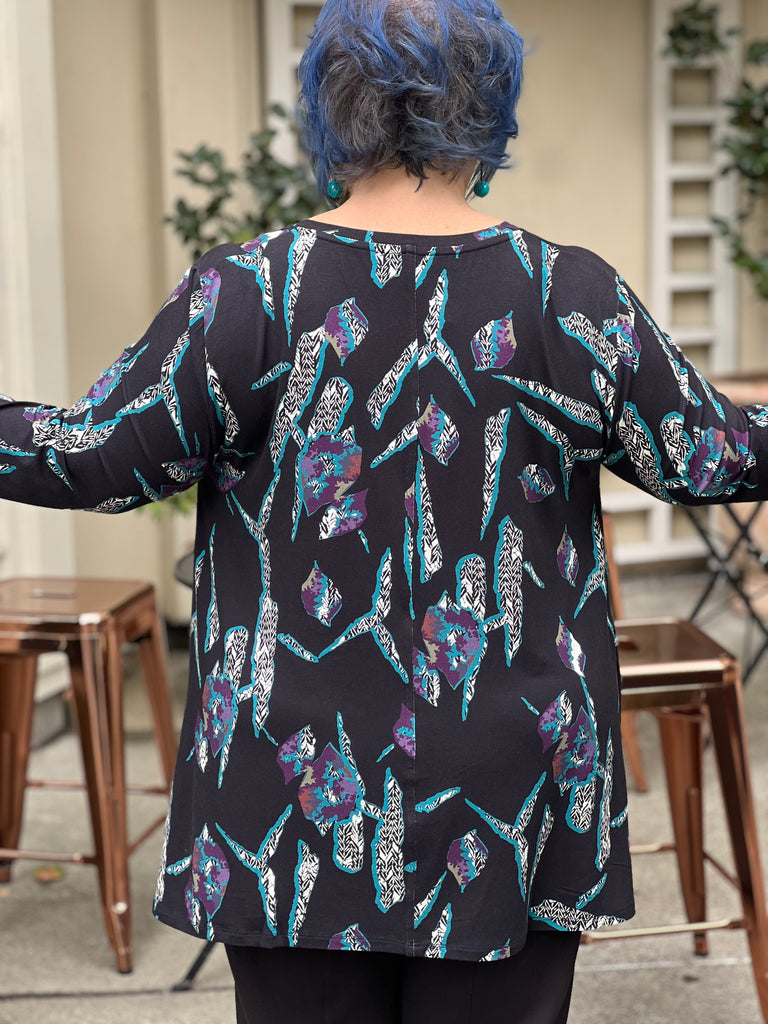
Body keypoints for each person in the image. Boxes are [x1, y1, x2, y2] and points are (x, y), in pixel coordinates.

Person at [2, 0, 767, 1021]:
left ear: (330, 105)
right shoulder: (569, 296)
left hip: (288, 784)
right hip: (510, 783)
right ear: (491, 104)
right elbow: (717, 455)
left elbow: (93, 458)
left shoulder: (248, 293)